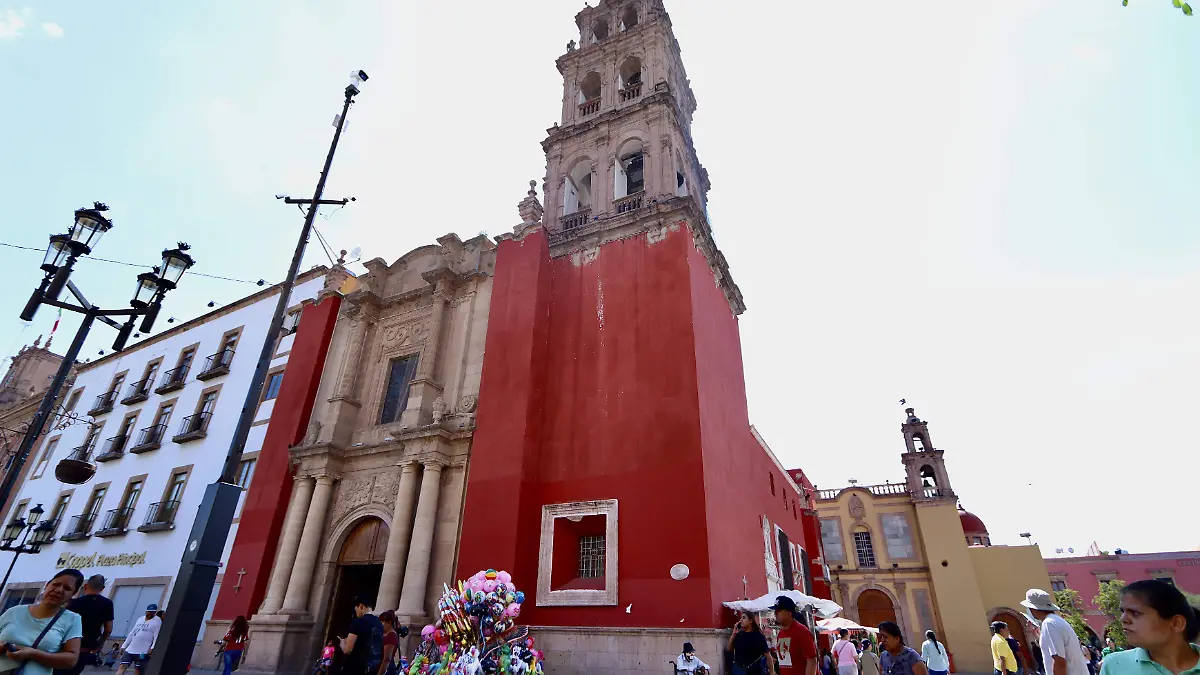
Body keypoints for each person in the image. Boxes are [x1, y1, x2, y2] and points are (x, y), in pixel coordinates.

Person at [1098, 580, 1199, 675]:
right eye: (1123, 612)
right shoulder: (1115, 665)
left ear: (1177, 623)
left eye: (1135, 613)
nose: (1123, 619)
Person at [0, 569, 84, 675]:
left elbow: (71, 660)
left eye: (67, 588)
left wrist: (33, 654)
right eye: (56, 584)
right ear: (47, 585)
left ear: (73, 594)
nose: (59, 590)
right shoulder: (14, 611)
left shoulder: (72, 619)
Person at [53, 574, 113, 675]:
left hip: (65, 647)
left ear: (85, 586)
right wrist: (100, 643)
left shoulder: (73, 603)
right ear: (102, 588)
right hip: (84, 650)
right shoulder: (107, 604)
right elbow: (108, 629)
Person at [1021, 589, 1089, 675]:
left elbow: (1059, 660)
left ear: (1033, 608)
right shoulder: (1055, 621)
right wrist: (1036, 634)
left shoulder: (1049, 624)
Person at [771, 596, 818, 675]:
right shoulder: (781, 633)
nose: (775, 614)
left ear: (789, 613)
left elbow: (811, 660)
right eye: (775, 610)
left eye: (778, 610)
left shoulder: (802, 631)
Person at [340, 595, 383, 675]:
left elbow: (347, 650)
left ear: (361, 606)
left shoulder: (358, 622)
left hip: (355, 668)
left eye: (356, 609)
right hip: (372, 668)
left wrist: (342, 643)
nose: (356, 612)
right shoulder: (379, 623)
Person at [116, 604, 161, 675]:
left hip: (143, 651)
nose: (150, 613)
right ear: (146, 611)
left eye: (152, 612)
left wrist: (152, 648)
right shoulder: (140, 619)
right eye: (149, 611)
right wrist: (124, 646)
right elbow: (132, 632)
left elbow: (156, 635)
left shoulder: (157, 621)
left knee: (138, 669)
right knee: (122, 666)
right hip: (131, 648)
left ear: (155, 612)